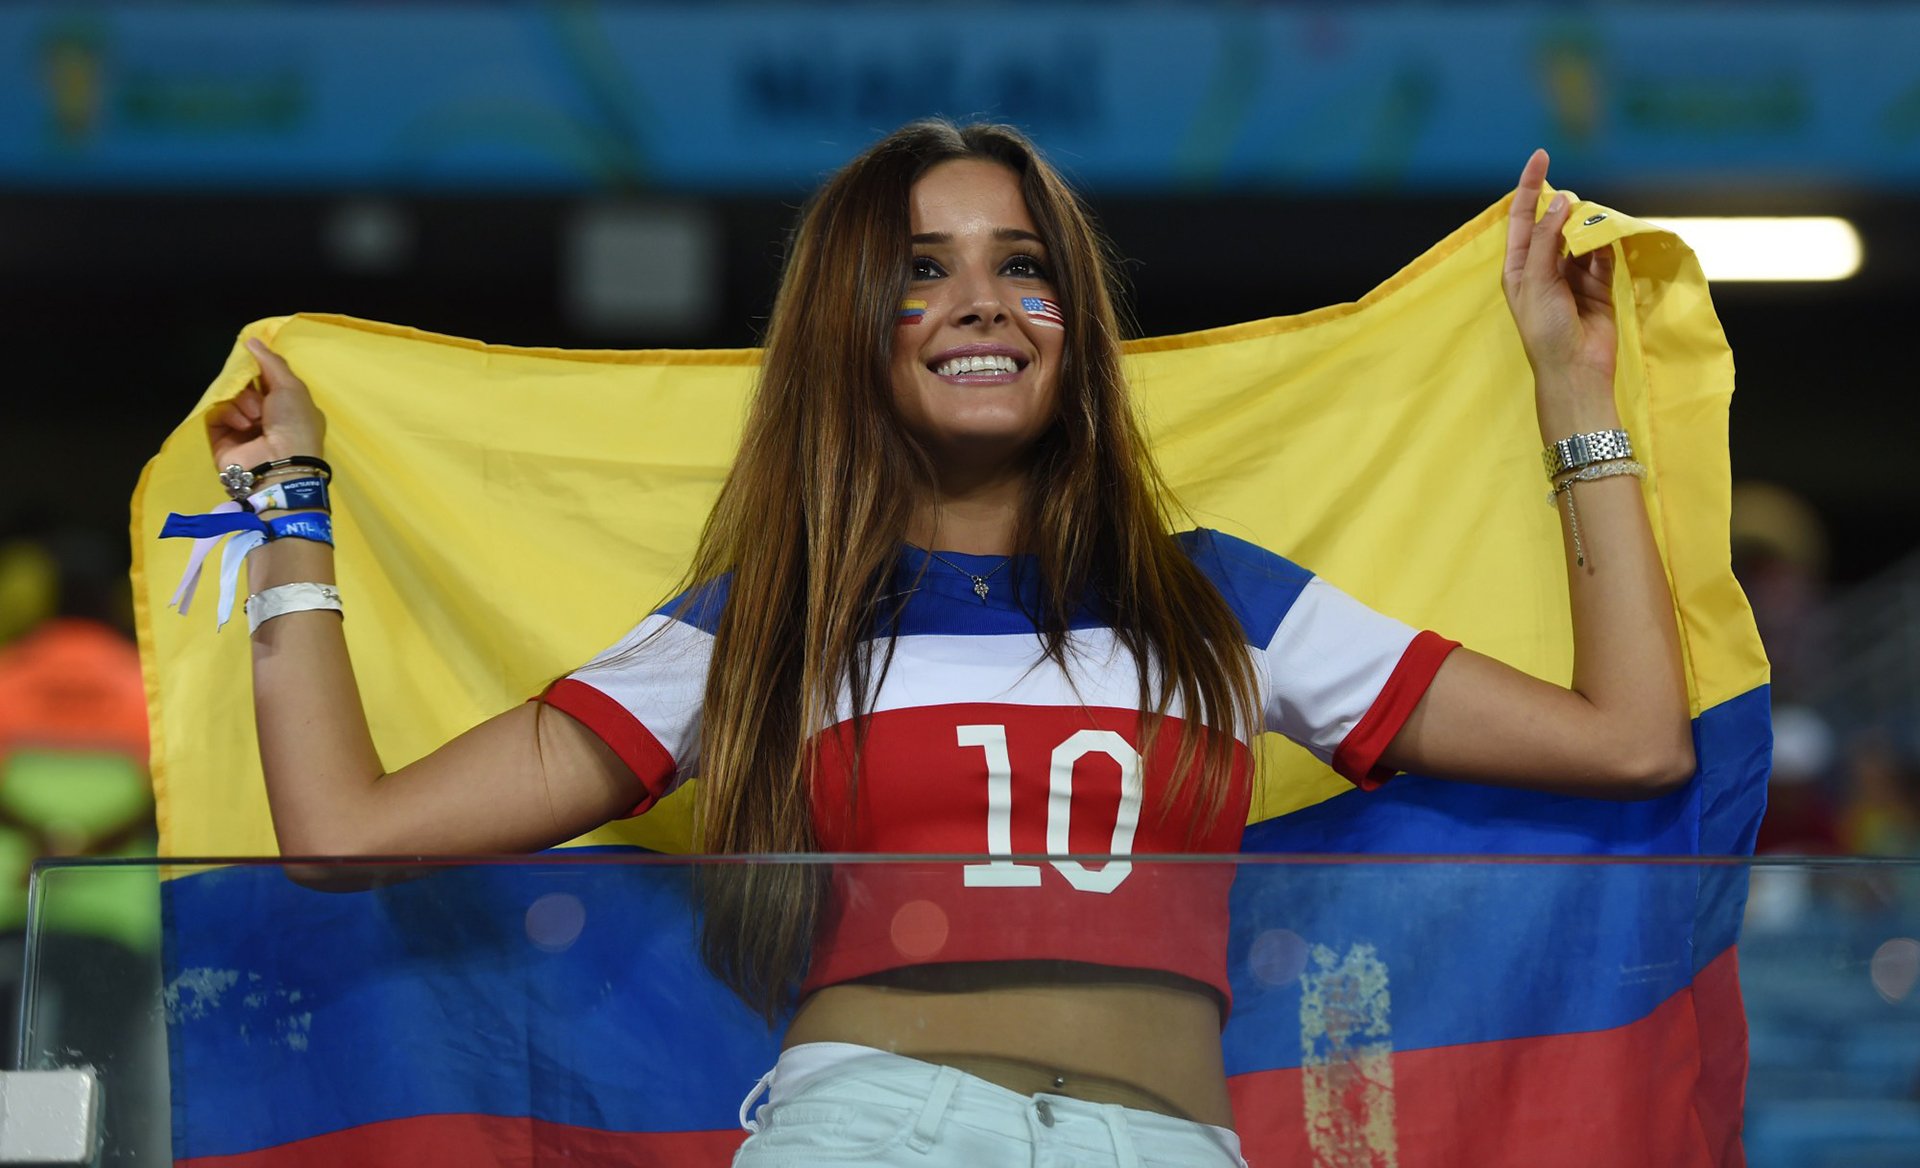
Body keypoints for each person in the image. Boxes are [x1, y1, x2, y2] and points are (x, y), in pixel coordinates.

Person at [203, 121, 1693, 1167]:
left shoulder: (1223, 603)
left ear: (1072, 315)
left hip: (1168, 1144)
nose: (981, 299)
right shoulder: (760, 630)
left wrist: (1574, 396)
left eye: (1023, 262)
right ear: (855, 325)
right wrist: (295, 509)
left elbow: (1633, 741)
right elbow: (345, 833)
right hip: (866, 1135)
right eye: (920, 268)